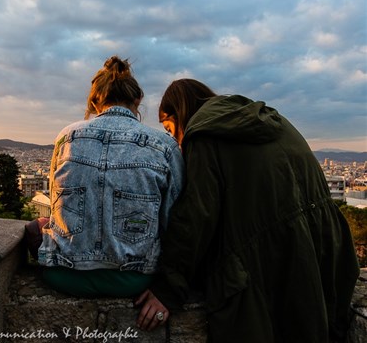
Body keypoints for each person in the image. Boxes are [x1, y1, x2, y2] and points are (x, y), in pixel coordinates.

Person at [135, 78, 360, 342]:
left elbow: (196, 215)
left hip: (277, 261)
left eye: (171, 130)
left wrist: (167, 289)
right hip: (322, 251)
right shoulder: (269, 119)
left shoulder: (204, 133)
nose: (175, 141)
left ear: (180, 113)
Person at [35, 56, 184, 298]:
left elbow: (55, 205)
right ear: (138, 100)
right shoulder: (164, 145)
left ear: (94, 101)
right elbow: (174, 220)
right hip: (133, 278)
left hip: (64, 274)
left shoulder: (66, 138)